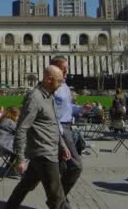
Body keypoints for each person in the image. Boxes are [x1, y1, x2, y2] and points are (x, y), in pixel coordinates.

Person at [5, 65, 71, 209]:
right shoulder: (34, 98)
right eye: (59, 81)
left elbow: (53, 124)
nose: (61, 85)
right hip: (43, 152)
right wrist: (20, 158)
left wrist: (63, 146)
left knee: (26, 185)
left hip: (50, 149)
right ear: (48, 79)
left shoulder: (50, 97)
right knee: (56, 196)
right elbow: (22, 128)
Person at [50, 56, 83, 199]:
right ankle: (58, 198)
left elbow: (67, 108)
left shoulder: (64, 86)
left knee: (63, 167)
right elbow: (51, 112)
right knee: (76, 166)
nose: (67, 71)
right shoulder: (53, 88)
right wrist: (60, 133)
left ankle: (59, 201)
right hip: (62, 129)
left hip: (69, 125)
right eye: (64, 68)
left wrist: (81, 109)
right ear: (56, 68)